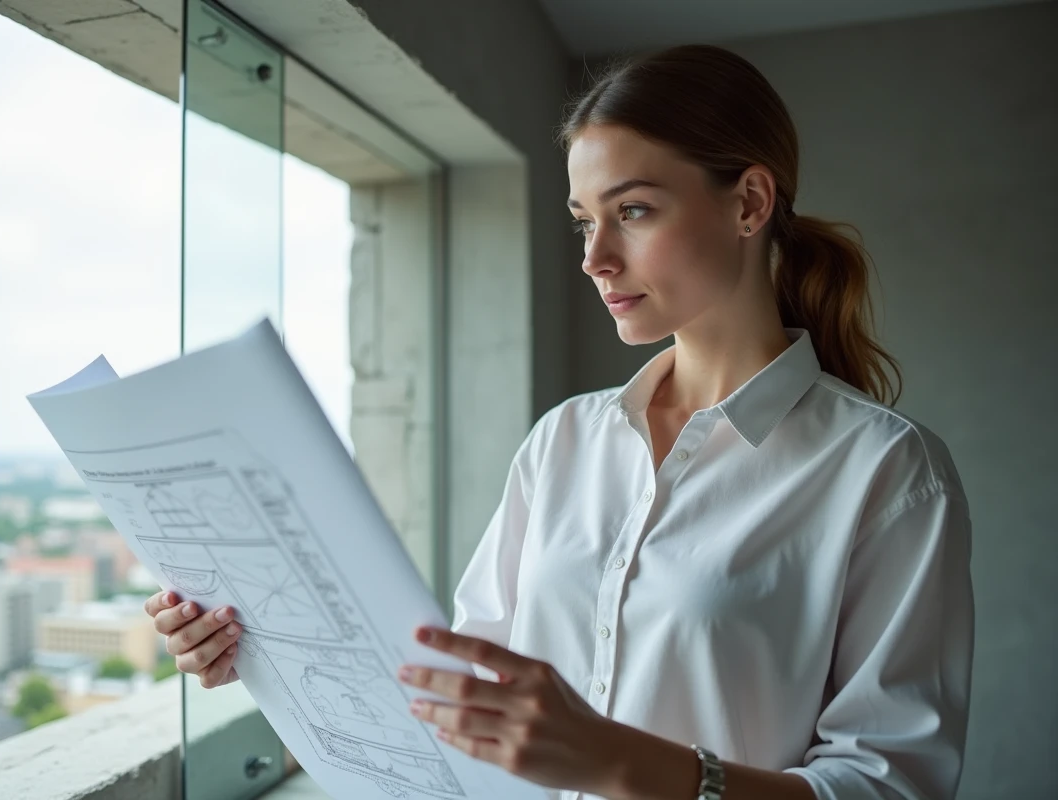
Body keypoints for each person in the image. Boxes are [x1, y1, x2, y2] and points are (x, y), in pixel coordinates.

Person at [143, 44, 973, 800]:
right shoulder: (563, 443)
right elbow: (455, 701)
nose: (594, 257)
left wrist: (619, 763)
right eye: (584, 221)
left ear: (749, 202)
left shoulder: (885, 471)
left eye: (634, 210)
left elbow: (890, 788)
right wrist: (258, 648)